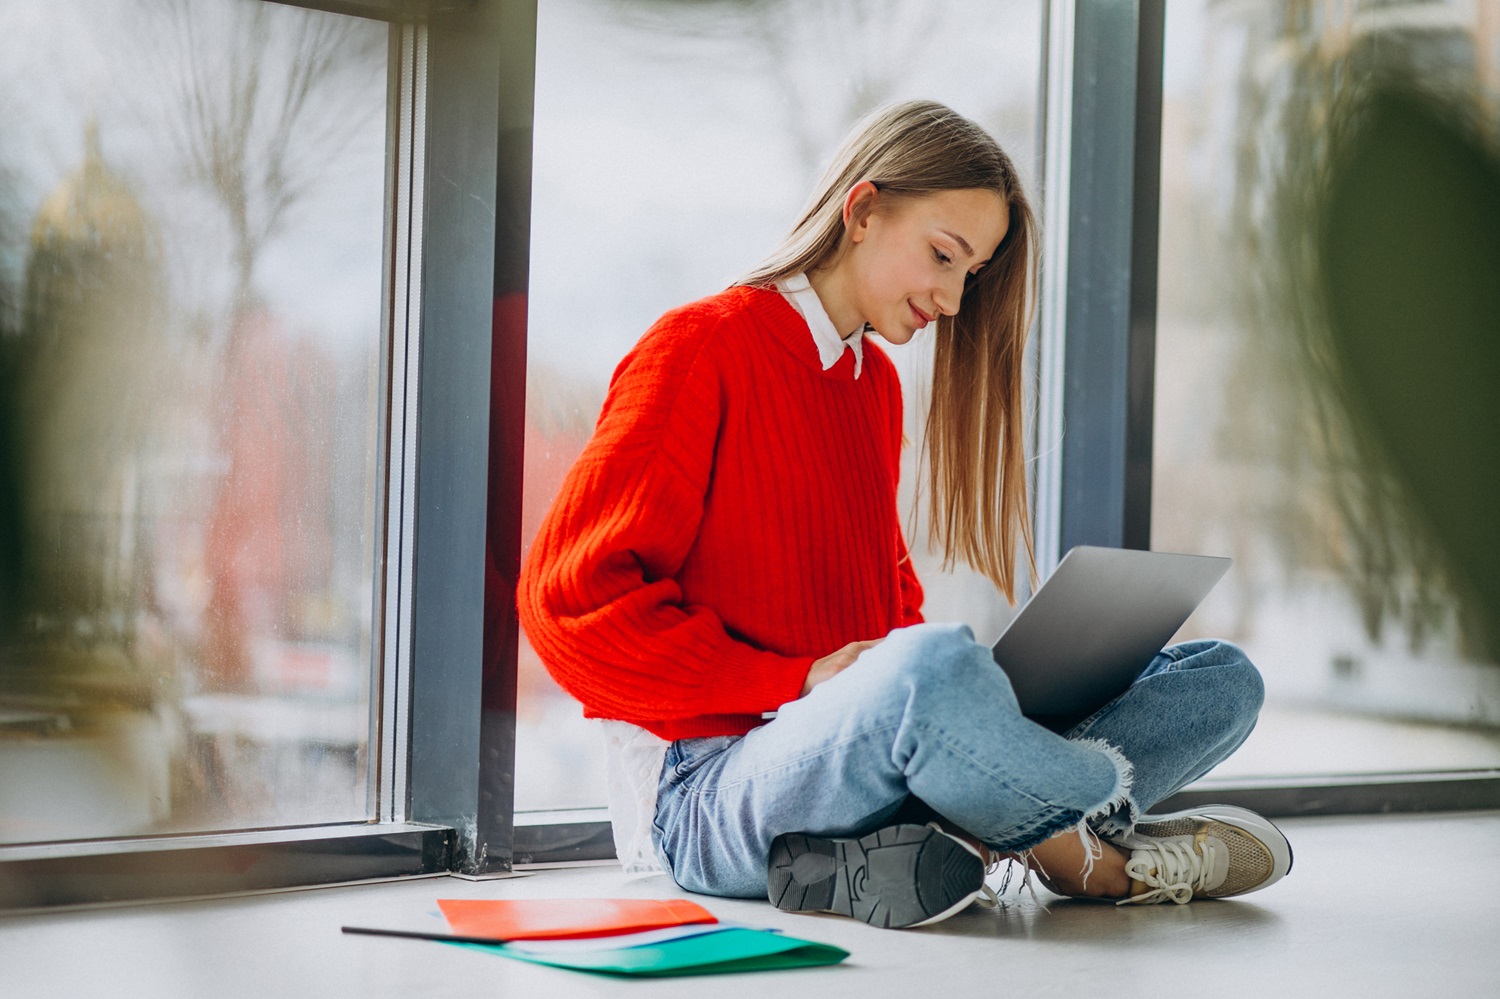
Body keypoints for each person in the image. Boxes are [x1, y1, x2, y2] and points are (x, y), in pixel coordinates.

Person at [518, 100, 1291, 929]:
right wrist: (800, 679)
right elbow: (566, 609)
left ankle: (966, 829)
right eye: (943, 256)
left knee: (1219, 679)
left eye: (971, 275)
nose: (955, 300)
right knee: (935, 672)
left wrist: (975, 691)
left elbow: (891, 616)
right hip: (708, 792)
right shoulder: (702, 347)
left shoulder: (872, 389)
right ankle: (1088, 854)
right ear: (862, 211)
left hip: (869, 766)